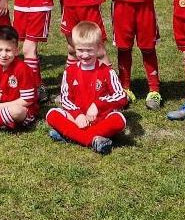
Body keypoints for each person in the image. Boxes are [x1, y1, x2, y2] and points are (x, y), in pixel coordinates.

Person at [46, 21, 127, 154]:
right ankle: (94, 139)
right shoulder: (70, 71)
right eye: (80, 50)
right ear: (74, 48)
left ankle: (72, 135)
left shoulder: (107, 71)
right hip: (77, 119)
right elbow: (66, 99)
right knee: (52, 114)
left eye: (89, 50)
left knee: (119, 119)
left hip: (100, 119)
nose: (84, 55)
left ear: (99, 47)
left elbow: (121, 97)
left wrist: (98, 105)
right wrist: (78, 115)